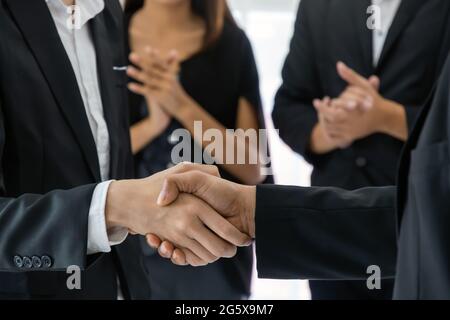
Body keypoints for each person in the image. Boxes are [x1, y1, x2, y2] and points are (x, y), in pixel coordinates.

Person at [147, 53, 450, 300]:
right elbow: (291, 107)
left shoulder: (229, 45)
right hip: (165, 245)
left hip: (224, 255)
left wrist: (386, 118)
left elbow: (253, 162)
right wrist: (250, 211)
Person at [0, 0, 249, 299]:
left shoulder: (107, 14)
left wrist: (179, 103)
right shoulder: (121, 22)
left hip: (182, 262)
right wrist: (121, 204)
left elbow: (253, 164)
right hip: (71, 269)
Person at [271, 0, 450, 299]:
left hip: (417, 230)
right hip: (331, 228)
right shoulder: (318, 7)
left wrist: (385, 117)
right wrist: (329, 131)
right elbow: (288, 106)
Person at [124, 0, 269, 300]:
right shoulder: (106, 38)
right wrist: (153, 124)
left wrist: (180, 104)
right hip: (128, 244)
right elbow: (90, 157)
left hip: (214, 249)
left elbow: (253, 166)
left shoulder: (232, 44)